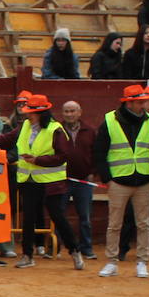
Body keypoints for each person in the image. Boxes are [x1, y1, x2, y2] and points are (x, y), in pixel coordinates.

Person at [0, 94, 83, 269]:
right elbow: (5, 139)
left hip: (50, 181)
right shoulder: (25, 126)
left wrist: (38, 160)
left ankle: (74, 251)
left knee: (57, 216)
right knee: (29, 217)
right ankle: (27, 255)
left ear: (41, 113)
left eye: (31, 112)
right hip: (29, 179)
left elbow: (63, 156)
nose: (27, 115)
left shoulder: (55, 129)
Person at [95, 86, 149, 277]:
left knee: (144, 223)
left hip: (144, 179)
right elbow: (99, 151)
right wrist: (107, 178)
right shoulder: (109, 120)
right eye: (139, 102)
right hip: (118, 180)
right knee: (114, 224)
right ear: (128, 102)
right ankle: (112, 261)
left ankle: (142, 262)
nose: (143, 105)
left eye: (144, 101)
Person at [57, 100, 96, 259]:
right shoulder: (56, 130)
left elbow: (96, 153)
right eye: (66, 111)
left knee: (85, 216)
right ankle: (57, 248)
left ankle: (86, 248)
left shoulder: (90, 130)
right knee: (58, 214)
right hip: (61, 178)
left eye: (73, 111)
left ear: (80, 112)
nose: (69, 114)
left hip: (83, 179)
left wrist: (93, 172)